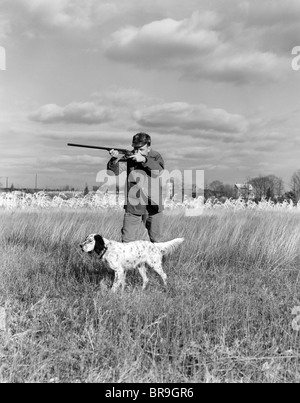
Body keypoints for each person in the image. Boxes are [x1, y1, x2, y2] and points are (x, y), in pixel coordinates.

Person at [107, 132, 165, 243]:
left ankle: (161, 261)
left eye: (141, 149)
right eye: (135, 149)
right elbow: (114, 171)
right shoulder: (129, 156)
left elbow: (159, 171)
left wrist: (144, 160)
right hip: (133, 205)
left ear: (149, 147)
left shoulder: (155, 156)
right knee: (127, 241)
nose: (137, 152)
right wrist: (114, 159)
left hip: (154, 205)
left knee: (157, 242)